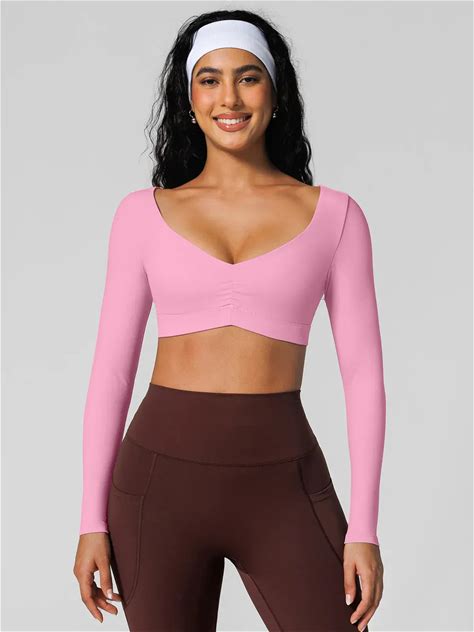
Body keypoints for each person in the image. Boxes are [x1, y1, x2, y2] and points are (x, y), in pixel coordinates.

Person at [73, 10, 385, 632]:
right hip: (157, 487)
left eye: (248, 77)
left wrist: (365, 528)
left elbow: (363, 376)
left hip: (284, 482)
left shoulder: (335, 217)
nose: (230, 99)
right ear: (189, 100)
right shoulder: (142, 215)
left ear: (275, 91)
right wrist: (90, 520)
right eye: (209, 80)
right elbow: (111, 372)